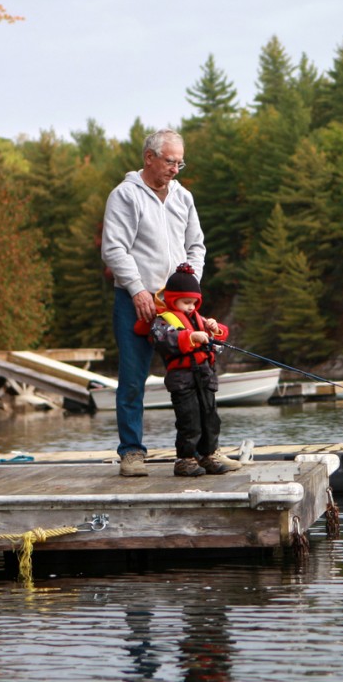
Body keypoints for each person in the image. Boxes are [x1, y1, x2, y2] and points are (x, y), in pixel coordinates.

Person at [101, 129, 203, 476]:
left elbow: (196, 246)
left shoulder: (183, 197)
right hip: (135, 300)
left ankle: (195, 453)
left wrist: (190, 285)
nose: (176, 168)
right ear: (149, 158)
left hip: (177, 304)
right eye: (170, 161)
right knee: (133, 378)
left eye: (180, 162)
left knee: (194, 375)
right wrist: (137, 289)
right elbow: (114, 249)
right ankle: (132, 452)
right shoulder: (125, 195)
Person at [136, 263, 231, 477]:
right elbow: (163, 340)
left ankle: (208, 455)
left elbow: (218, 342)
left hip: (205, 377)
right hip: (182, 380)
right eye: (186, 302)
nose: (190, 307)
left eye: (194, 302)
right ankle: (185, 459)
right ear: (173, 300)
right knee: (189, 420)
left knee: (210, 417)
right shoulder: (163, 321)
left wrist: (215, 330)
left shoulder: (199, 319)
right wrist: (190, 337)